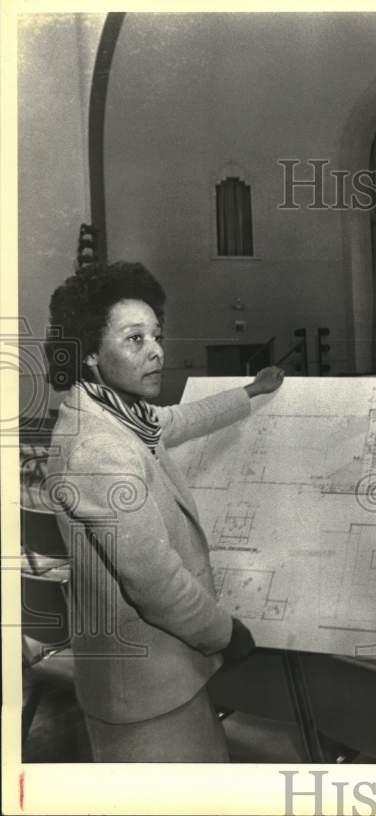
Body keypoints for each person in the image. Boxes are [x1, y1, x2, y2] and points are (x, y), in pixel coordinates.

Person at [43, 261, 285, 762]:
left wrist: (250, 392)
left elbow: (176, 420)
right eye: (135, 339)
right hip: (143, 692)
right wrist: (226, 632)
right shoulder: (98, 448)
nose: (155, 350)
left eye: (157, 335)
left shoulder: (113, 410)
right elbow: (158, 588)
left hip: (160, 674)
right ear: (89, 352)